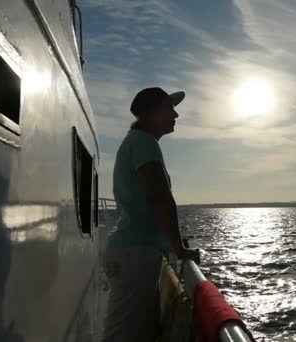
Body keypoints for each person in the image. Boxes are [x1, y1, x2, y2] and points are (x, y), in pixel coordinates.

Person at [102, 87, 200, 342]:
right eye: (170, 108)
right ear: (153, 113)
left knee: (132, 331)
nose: (175, 114)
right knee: (124, 336)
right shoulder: (144, 143)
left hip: (131, 250)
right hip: (136, 253)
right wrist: (179, 249)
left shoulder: (136, 142)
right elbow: (162, 199)